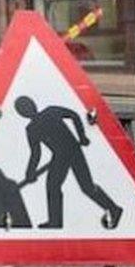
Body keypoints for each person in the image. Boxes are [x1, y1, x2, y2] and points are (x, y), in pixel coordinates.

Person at [15, 96, 123, 229]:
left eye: (26, 107)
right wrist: (30, 171)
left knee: (85, 186)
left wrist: (82, 136)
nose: (26, 110)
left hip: (73, 151)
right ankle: (55, 222)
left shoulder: (49, 112)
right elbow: (36, 153)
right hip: (60, 156)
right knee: (54, 186)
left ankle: (114, 209)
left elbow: (74, 115)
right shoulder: (32, 128)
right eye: (23, 109)